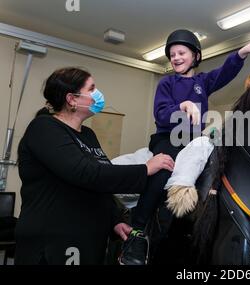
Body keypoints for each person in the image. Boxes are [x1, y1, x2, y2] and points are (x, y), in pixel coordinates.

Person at [119, 29, 250, 265]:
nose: (176, 57)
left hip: (193, 140)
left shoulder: (203, 82)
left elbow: (225, 72)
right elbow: (160, 113)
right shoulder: (166, 82)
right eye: (172, 55)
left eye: (181, 53)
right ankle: (137, 232)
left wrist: (241, 53)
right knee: (163, 169)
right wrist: (183, 105)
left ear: (196, 56)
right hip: (168, 138)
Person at [14, 67, 174, 265]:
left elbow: (100, 187)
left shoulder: (88, 134)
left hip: (87, 240)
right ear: (72, 99)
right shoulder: (44, 128)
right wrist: (145, 169)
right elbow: (87, 173)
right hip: (54, 241)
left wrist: (114, 221)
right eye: (92, 88)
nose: (98, 94)